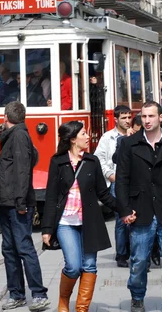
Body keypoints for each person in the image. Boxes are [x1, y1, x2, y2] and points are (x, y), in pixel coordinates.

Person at [116, 101, 162, 312]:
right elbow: (121, 180)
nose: (147, 120)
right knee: (139, 260)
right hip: (139, 209)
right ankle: (137, 296)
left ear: (161, 118)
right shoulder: (129, 144)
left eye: (151, 116)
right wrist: (124, 209)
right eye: (143, 117)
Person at [42, 121, 119, 312]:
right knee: (73, 266)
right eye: (84, 134)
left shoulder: (92, 161)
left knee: (90, 266)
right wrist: (46, 229)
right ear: (73, 139)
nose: (88, 137)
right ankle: (63, 299)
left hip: (89, 222)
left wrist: (124, 209)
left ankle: (82, 309)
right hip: (65, 222)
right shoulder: (57, 162)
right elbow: (51, 196)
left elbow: (103, 194)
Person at [0, 101, 50, 311]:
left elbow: (23, 171)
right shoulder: (13, 136)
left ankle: (39, 294)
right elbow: (7, 172)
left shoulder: (19, 136)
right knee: (9, 249)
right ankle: (17, 294)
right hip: (7, 202)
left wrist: (21, 202)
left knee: (24, 248)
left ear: (6, 117)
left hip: (17, 204)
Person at [93, 105, 132, 267]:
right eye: (124, 118)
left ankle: (138, 252)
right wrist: (109, 174)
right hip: (117, 181)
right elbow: (99, 158)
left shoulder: (136, 135)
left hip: (135, 181)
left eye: (129, 117)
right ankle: (121, 254)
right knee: (121, 218)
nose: (128, 121)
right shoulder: (108, 137)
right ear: (115, 119)